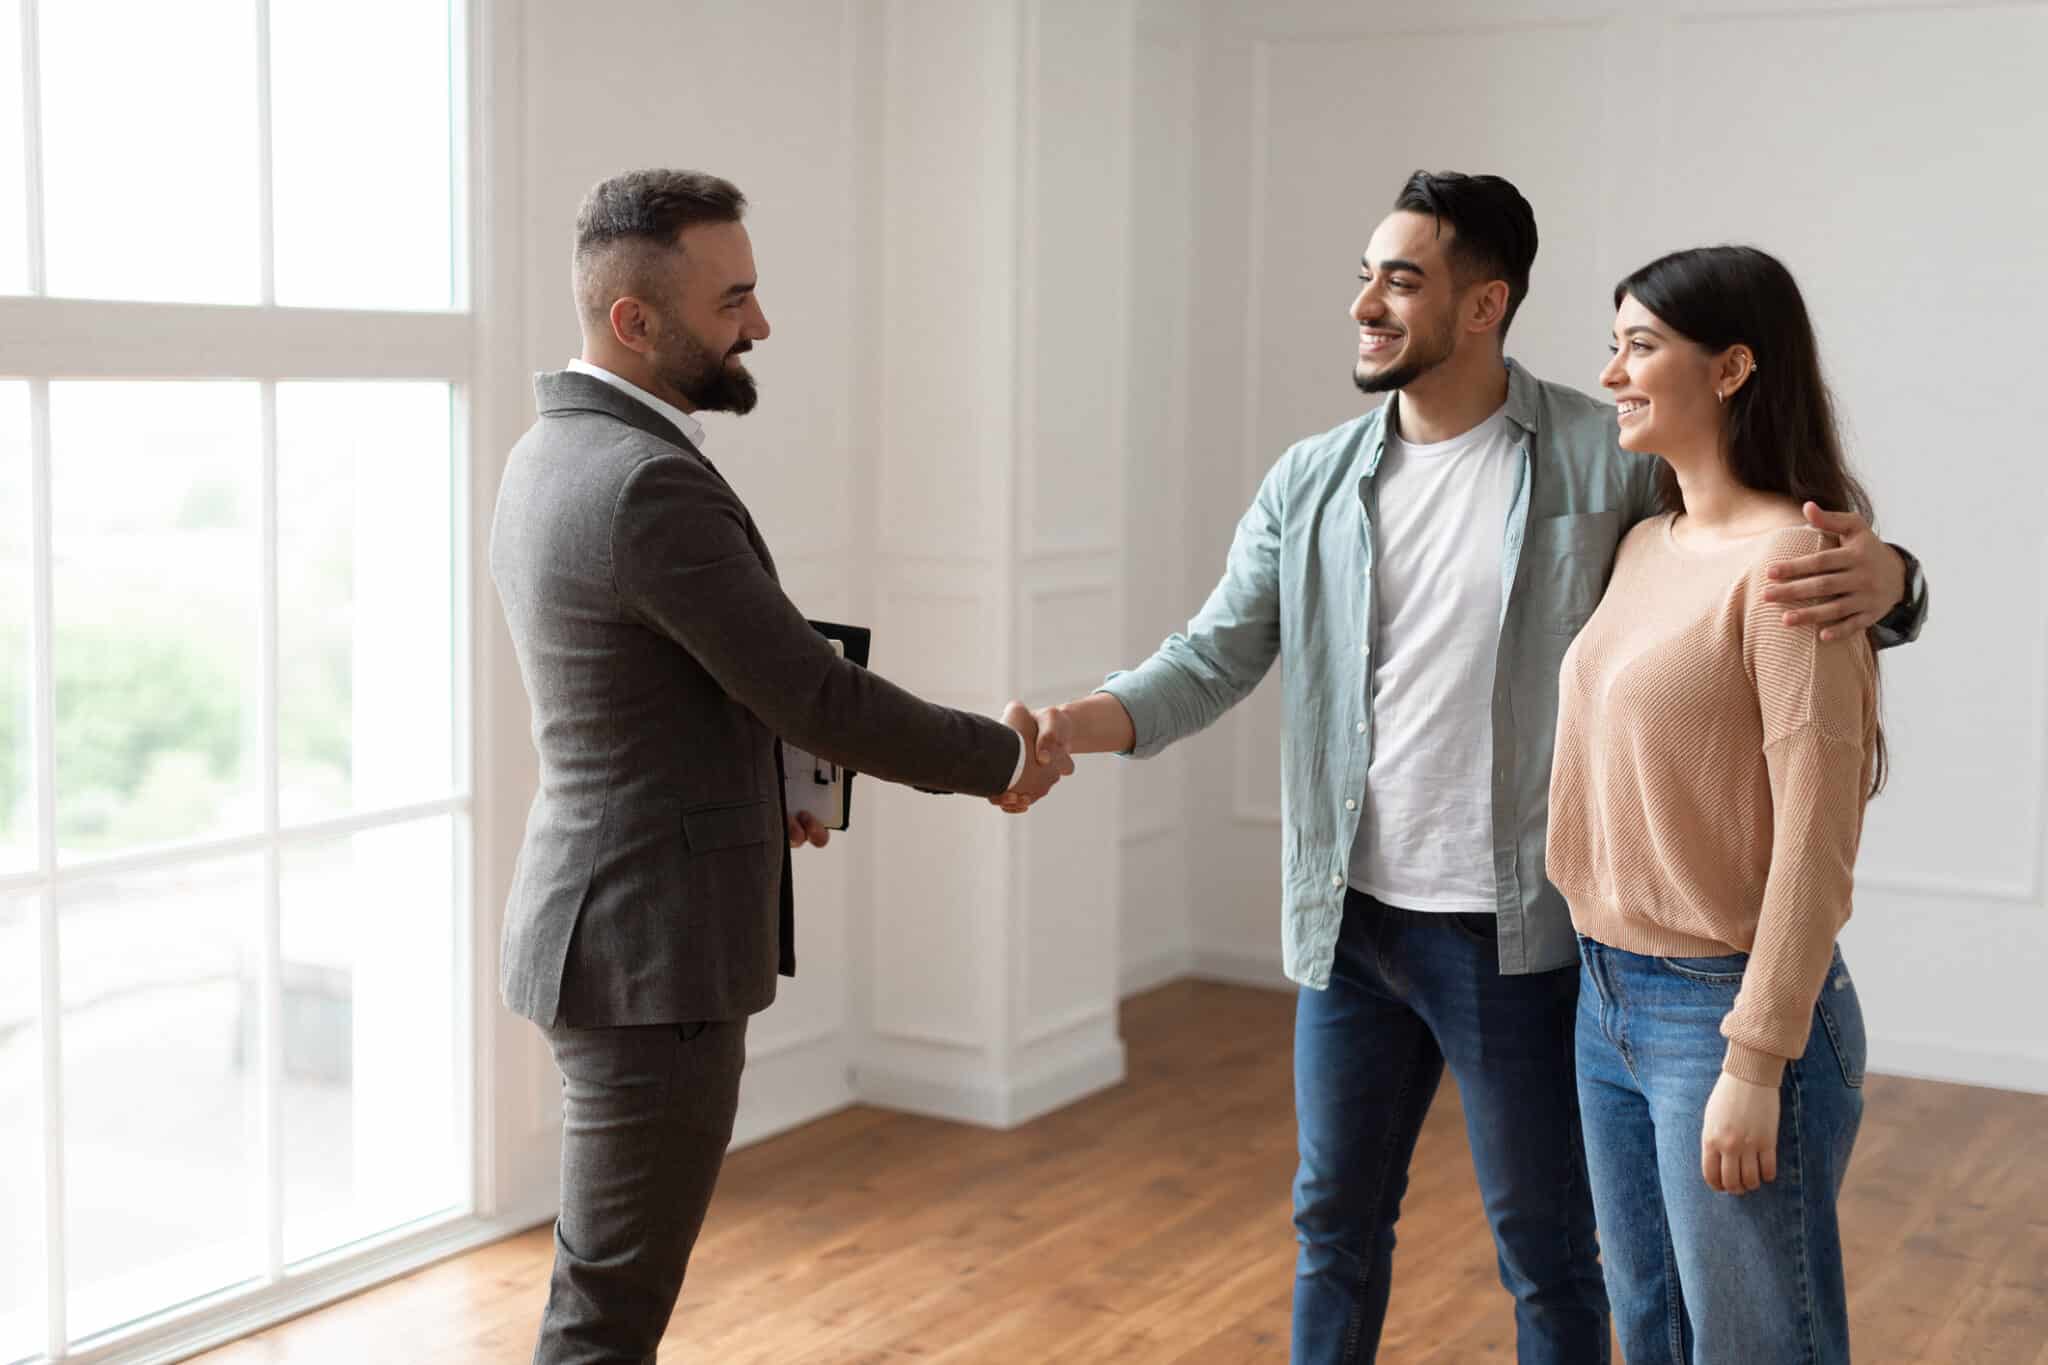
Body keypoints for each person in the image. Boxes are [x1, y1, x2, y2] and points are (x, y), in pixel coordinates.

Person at [1003, 172, 1926, 1363]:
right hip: (1350, 920)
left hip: (1517, 935)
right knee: (1331, 1221)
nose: (1365, 305)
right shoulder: (1312, 479)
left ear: (1483, 303)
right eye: (1363, 275)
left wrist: (1894, 574)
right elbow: (1213, 655)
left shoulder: (1608, 457)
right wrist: (1073, 725)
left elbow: (1758, 532)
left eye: (1401, 279)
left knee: (1548, 1250)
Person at [489, 168, 1069, 1364]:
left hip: (609, 925)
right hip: (650, 955)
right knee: (606, 1314)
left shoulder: (552, 452)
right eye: (733, 300)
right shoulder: (645, 482)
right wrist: (1004, 754)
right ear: (633, 320)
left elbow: (665, 692)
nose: (759, 325)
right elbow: (812, 692)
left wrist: (770, 780)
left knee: (605, 1284)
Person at [1550, 245, 1883, 1364]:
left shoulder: (1793, 561)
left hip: (1720, 1011)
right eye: (1612, 345)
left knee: (1750, 1347)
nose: (1611, 374)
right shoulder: (1646, 542)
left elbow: (1815, 837)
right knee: (1648, 1329)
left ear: (1732, 366)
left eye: (1639, 345)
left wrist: (1753, 1057)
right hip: (1604, 995)